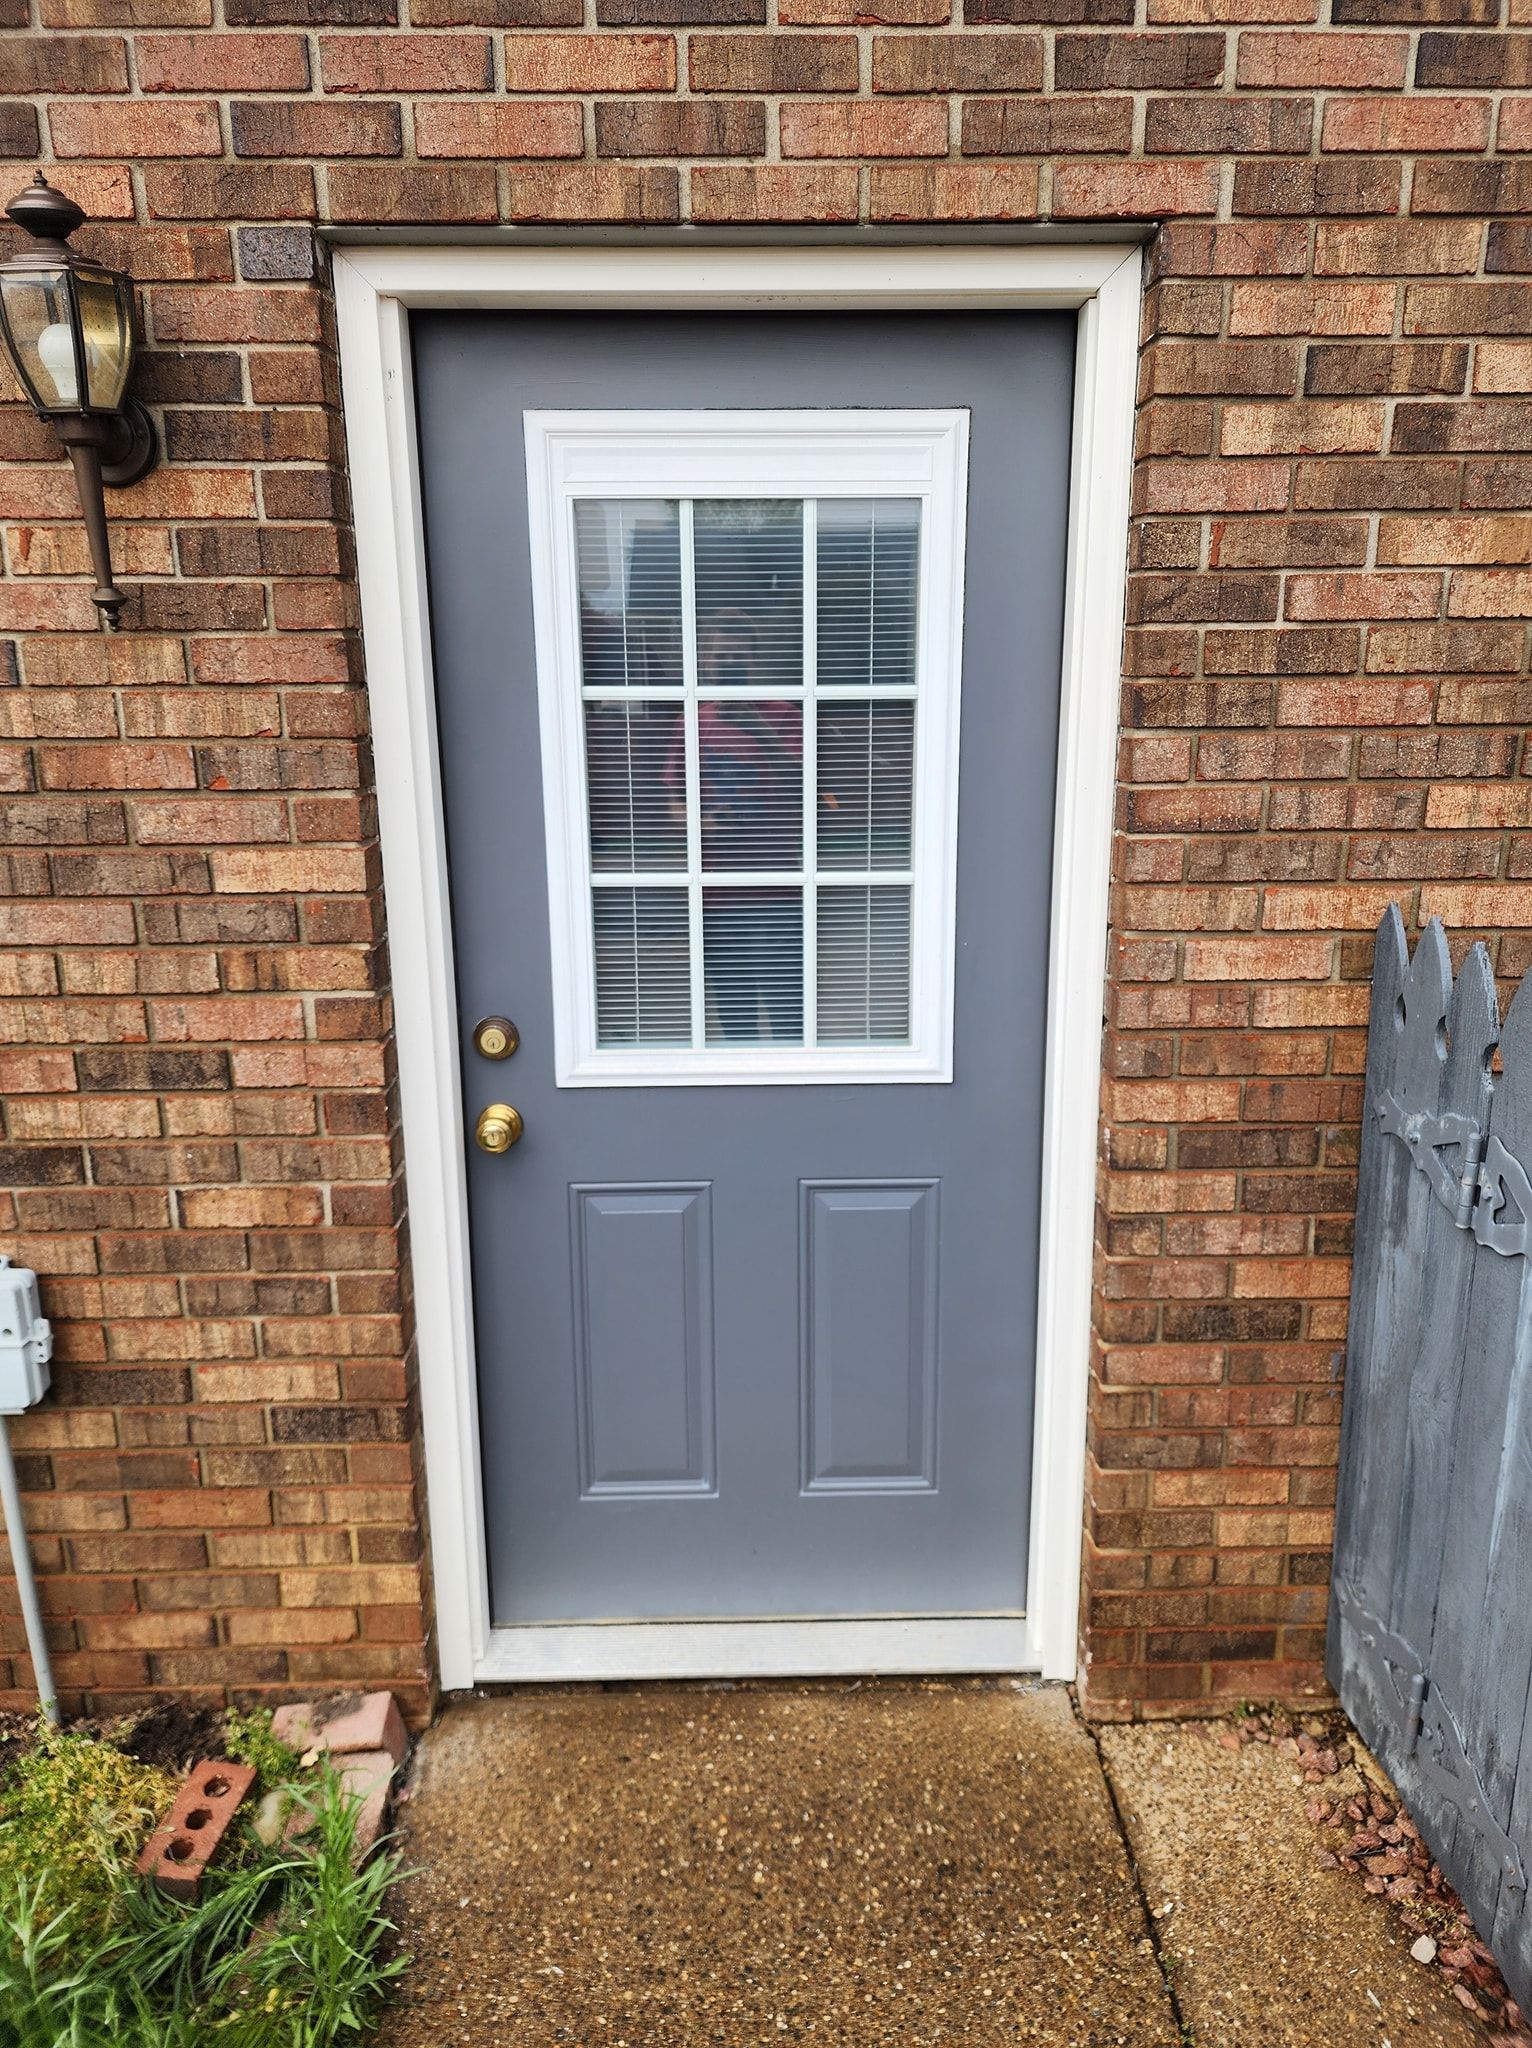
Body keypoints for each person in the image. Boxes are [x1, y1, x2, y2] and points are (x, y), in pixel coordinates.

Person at [666, 610, 804, 1043]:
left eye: (738, 659)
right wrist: (701, 821)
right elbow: (674, 800)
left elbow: (810, 792)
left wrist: (760, 731)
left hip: (778, 887)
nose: (728, 666)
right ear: (705, 661)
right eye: (721, 657)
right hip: (717, 890)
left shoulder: (785, 716)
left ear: (754, 663)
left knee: (787, 1009)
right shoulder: (693, 720)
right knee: (733, 1005)